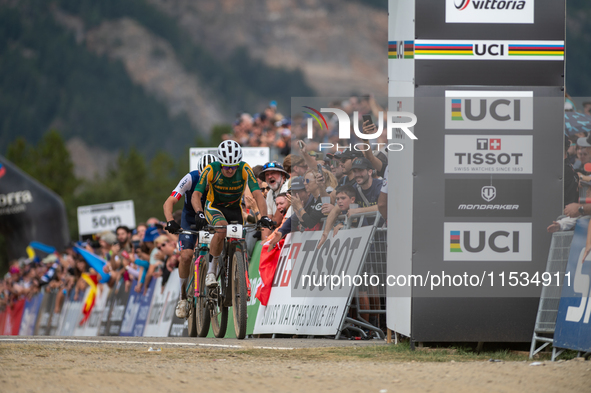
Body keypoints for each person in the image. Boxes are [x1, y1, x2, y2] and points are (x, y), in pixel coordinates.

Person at [192, 140, 272, 287]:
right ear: (220, 163)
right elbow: (196, 194)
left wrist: (264, 217)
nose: (230, 170)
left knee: (239, 239)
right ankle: (211, 271)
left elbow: (258, 195)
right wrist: (199, 213)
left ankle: (239, 271)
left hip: (234, 208)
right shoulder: (211, 169)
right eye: (227, 167)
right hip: (214, 207)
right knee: (221, 229)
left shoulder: (244, 169)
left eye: (234, 166)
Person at [162, 153, 217, 318]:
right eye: (203, 178)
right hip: (190, 218)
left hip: (211, 216)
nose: (206, 183)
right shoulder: (190, 178)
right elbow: (169, 202)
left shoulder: (221, 179)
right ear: (199, 173)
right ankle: (183, 297)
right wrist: (171, 221)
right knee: (186, 256)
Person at [258, 161, 290, 238]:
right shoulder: (270, 193)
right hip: (280, 232)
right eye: (267, 175)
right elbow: (267, 223)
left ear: (283, 176)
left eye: (273, 173)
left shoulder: (287, 188)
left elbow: (277, 221)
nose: (269, 177)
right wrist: (264, 242)